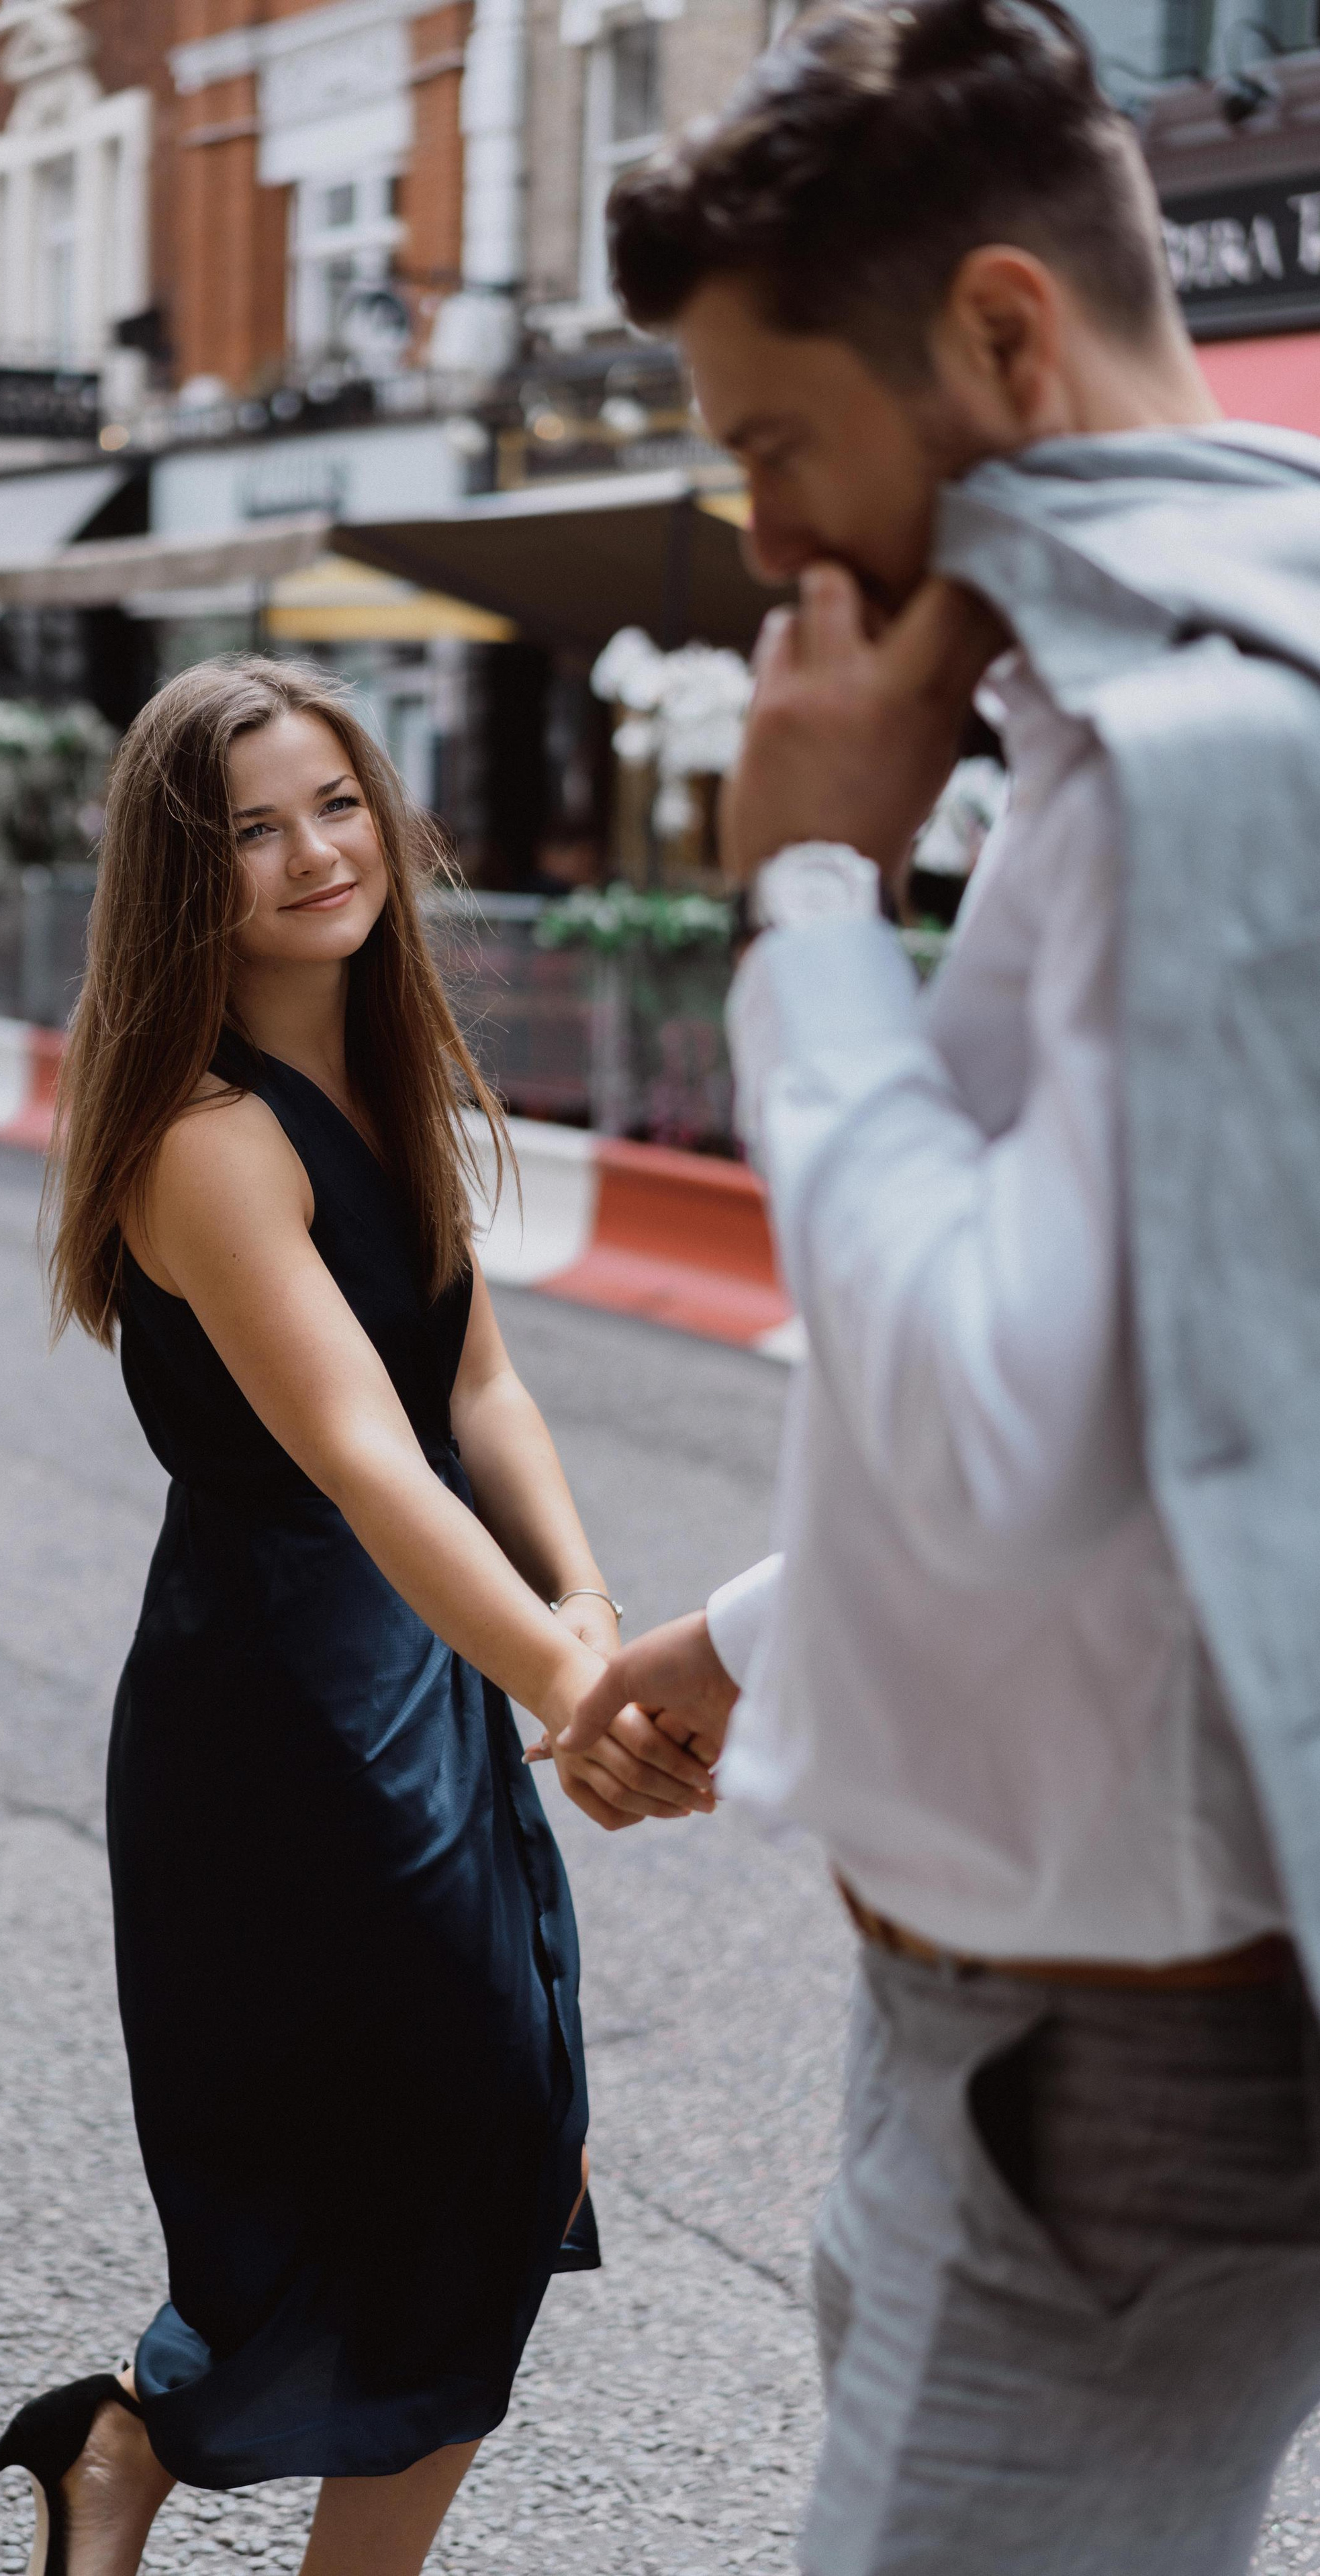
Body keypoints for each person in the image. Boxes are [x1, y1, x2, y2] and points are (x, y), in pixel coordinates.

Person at [563, 2, 1320, 2569]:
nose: (765, 541)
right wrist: (769, 1631)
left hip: (1114, 2068)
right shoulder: (1181, 693)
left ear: (1005, 333)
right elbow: (1193, 1360)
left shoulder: (1212, 759)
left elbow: (1009, 1433)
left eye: (778, 445)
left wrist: (801, 905)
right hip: (997, 2011)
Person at [0, 657, 716, 2576]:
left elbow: (477, 1392)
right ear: (180, 879)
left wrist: (589, 1621)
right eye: (253, 829)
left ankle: (120, 2449)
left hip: (423, 1673)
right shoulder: (205, 1135)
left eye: (337, 803)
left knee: (497, 2170)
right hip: (286, 1715)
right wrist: (571, 1686)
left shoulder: (392, 1069)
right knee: (465, 2169)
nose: (312, 855)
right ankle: (134, 2438)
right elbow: (367, 1464)